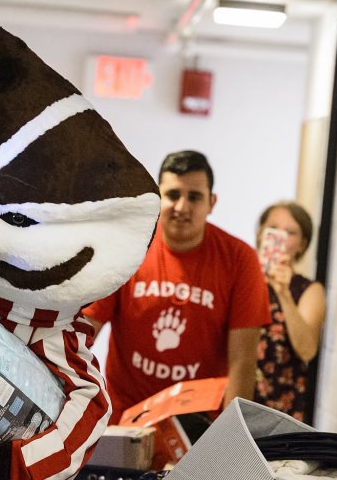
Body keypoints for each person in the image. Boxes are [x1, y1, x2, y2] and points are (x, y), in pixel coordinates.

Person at [83, 150, 271, 423]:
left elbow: (242, 364)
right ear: (158, 197)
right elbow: (85, 333)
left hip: (201, 425)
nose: (182, 207)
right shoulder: (128, 247)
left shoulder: (240, 259)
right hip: (126, 420)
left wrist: (230, 438)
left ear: (212, 202)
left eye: (194, 197)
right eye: (173, 195)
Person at [253, 201, 326, 423]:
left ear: (302, 244)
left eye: (290, 232)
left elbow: (307, 350)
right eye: (273, 228)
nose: (280, 237)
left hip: (280, 408)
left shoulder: (308, 290)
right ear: (260, 235)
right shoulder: (241, 279)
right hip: (231, 395)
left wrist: (283, 293)